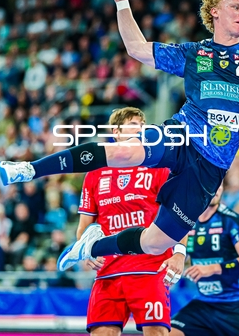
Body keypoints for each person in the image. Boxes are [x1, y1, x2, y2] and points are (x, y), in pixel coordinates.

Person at [0, 0, 239, 271]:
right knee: (123, 152)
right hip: (182, 134)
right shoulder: (194, 53)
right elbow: (136, 49)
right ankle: (28, 169)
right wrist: (122, 1)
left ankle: (91, 246)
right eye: (236, 6)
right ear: (214, 11)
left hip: (212, 165)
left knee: (156, 243)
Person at [79, 107, 187, 335]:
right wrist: (86, 251)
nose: (140, 129)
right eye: (133, 124)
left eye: (142, 125)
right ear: (116, 132)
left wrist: (179, 253)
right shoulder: (95, 174)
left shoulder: (159, 167)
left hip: (150, 269)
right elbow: (84, 227)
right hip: (108, 273)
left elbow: (179, 215)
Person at [169, 184, 239, 336]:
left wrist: (212, 268)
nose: (217, 189)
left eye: (220, 185)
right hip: (203, 303)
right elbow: (173, 253)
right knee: (168, 333)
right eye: (213, 183)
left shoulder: (232, 221)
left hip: (235, 303)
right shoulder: (187, 222)